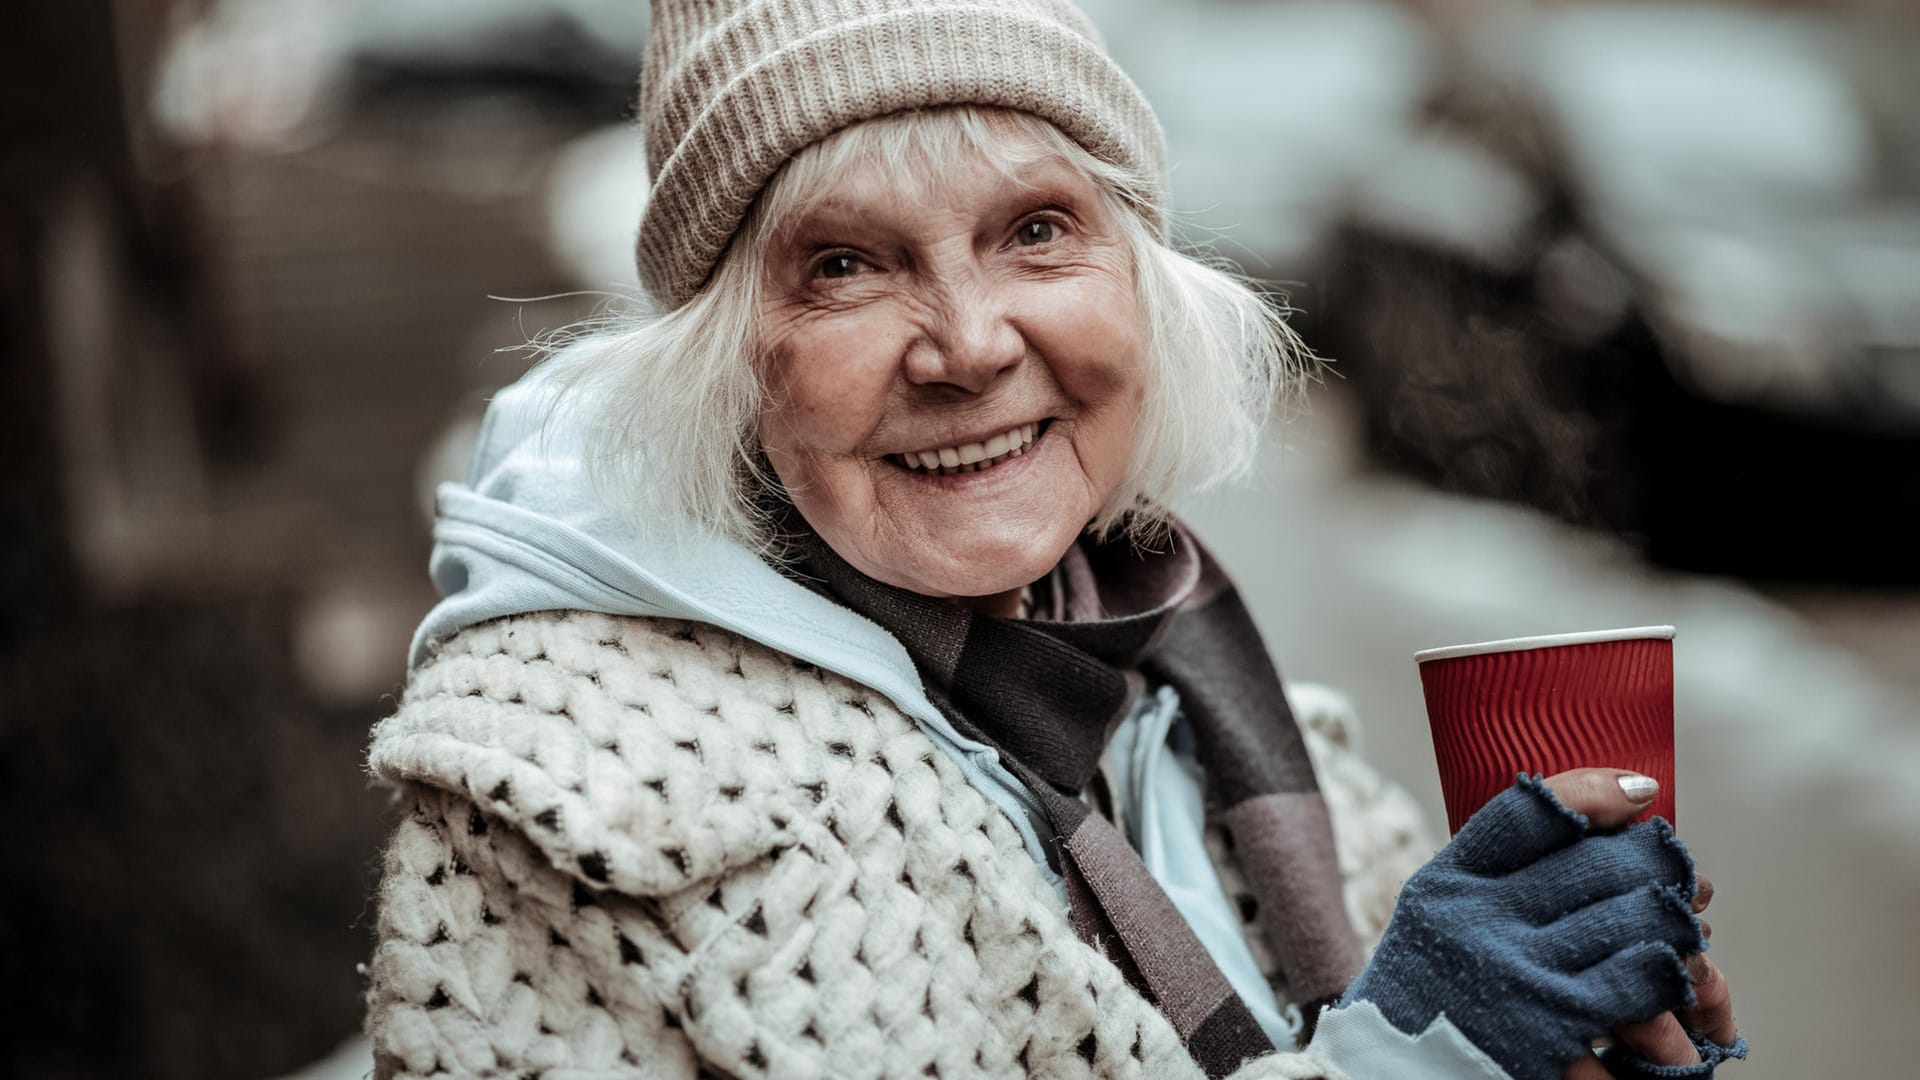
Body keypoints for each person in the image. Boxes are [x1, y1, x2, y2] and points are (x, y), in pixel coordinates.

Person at [362, 1, 1747, 1077]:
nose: (969, 344)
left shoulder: (1203, 692)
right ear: (730, 360)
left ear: (1143, 286)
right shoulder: (561, 810)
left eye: (1036, 230)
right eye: (844, 264)